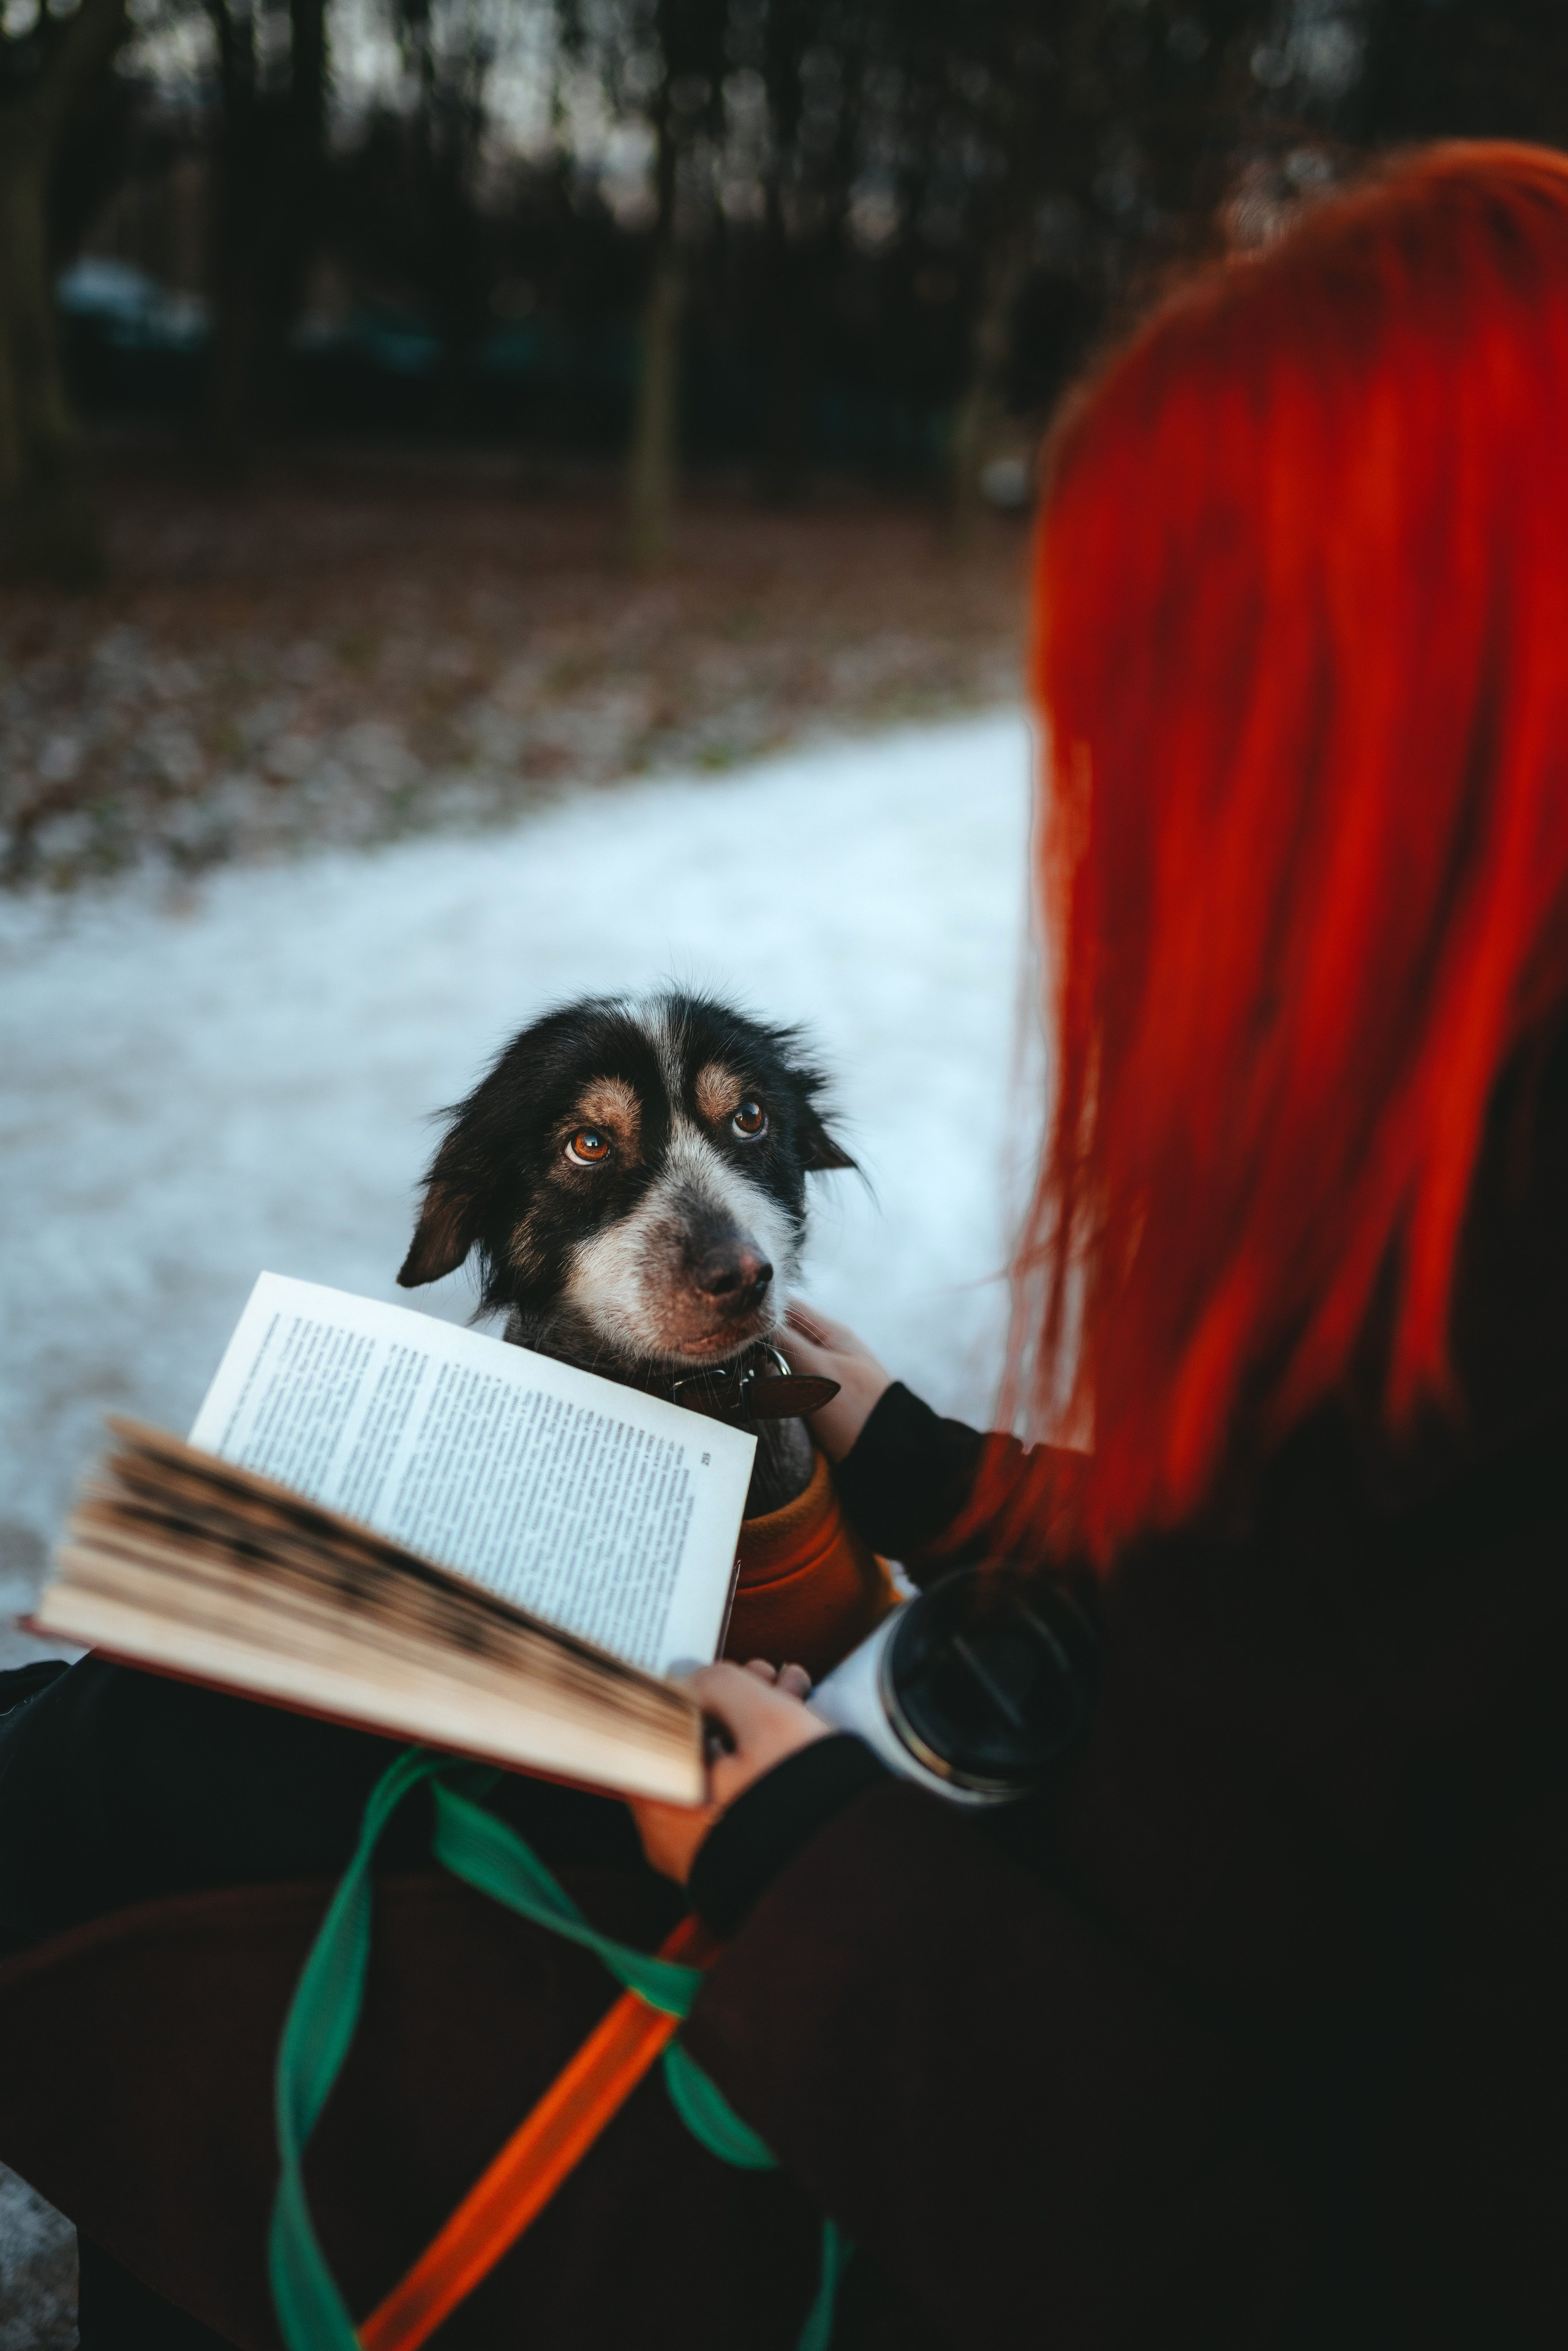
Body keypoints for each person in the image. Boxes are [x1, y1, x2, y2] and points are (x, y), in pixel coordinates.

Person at [4, 137, 1568, 2347]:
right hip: (997, 1922)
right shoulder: (1488, 1209)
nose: (1109, 826)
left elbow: (1303, 2266)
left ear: (1407, 737)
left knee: (143, 1773)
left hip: (941, 2089)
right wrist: (945, 1465)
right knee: (160, 1700)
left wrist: (806, 1860)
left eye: (1166, 724)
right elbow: (1360, 1619)